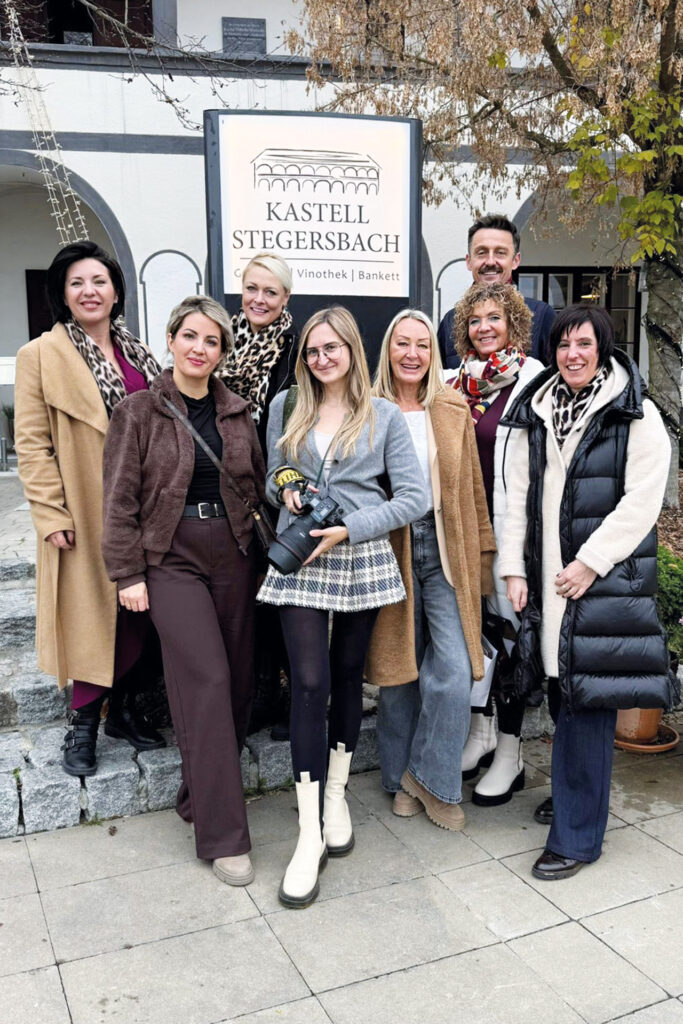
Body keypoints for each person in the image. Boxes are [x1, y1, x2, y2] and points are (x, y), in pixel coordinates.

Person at [258, 306, 427, 907]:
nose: (320, 358)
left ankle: (335, 798)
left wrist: (352, 527)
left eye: (331, 348)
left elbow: (414, 497)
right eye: (311, 350)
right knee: (309, 682)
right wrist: (286, 488)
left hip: (358, 554)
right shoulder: (286, 406)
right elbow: (271, 473)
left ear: (352, 350)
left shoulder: (383, 415)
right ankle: (309, 832)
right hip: (301, 555)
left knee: (348, 677)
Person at [499, 303, 675, 879]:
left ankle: (576, 839)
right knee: (561, 694)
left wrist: (590, 563)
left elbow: (642, 502)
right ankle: (578, 794)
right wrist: (514, 568)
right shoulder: (536, 407)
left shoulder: (635, 412)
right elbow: (516, 494)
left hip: (602, 580)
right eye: (563, 344)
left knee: (587, 704)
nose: (572, 355)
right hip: (547, 578)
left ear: (603, 348)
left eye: (584, 344)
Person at [101, 295, 265, 886]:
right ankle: (224, 836)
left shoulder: (238, 412)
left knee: (238, 683)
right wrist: (128, 573)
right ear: (170, 340)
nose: (199, 348)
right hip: (171, 557)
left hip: (236, 553)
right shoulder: (139, 410)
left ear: (222, 353)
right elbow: (118, 498)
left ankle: (200, 796)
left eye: (212, 341)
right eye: (190, 336)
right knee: (207, 680)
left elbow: (257, 484)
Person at [14, 240, 164, 778]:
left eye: (99, 281)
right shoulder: (40, 355)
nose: (89, 291)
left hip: (144, 508)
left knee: (137, 612)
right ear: (63, 293)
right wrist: (51, 513)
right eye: (76, 282)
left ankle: (123, 709)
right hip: (83, 507)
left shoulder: (139, 353)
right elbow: (32, 445)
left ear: (116, 291)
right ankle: (83, 726)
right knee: (92, 618)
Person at [369, 309, 495, 831]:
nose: (413, 353)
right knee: (399, 670)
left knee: (456, 669)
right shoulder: (367, 408)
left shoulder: (451, 407)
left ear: (433, 352)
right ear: (388, 348)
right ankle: (399, 780)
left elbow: (472, 490)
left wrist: (483, 554)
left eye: (422, 344)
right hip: (390, 546)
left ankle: (428, 778)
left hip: (444, 546)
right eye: (403, 343)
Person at [451, 283, 544, 805]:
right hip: (468, 534)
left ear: (513, 324)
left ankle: (511, 751)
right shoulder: (456, 382)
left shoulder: (532, 379)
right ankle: (481, 732)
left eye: (494, 317)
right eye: (475, 319)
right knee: (480, 634)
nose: (484, 327)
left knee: (512, 639)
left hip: (513, 534)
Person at [218, 252, 297, 737]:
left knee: (283, 598)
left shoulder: (296, 349)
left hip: (276, 491)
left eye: (271, 291)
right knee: (249, 600)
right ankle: (263, 692)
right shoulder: (221, 342)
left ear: (285, 298)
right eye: (252, 288)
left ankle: (292, 697)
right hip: (229, 491)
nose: (259, 299)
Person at [437, 214, 555, 369]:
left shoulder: (541, 316)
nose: (491, 261)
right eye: (481, 253)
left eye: (500, 252)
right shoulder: (450, 322)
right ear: (469, 261)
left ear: (515, 261)